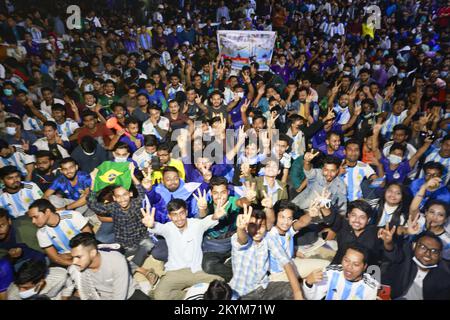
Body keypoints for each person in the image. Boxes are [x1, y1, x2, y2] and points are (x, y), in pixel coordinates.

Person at [141, 199, 226, 300]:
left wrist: (216, 215)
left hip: (197, 271)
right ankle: (190, 295)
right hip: (175, 272)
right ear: (169, 216)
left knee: (221, 286)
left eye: (181, 213)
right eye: (174, 215)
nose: (179, 218)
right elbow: (158, 227)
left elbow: (209, 220)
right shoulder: (168, 228)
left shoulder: (196, 224)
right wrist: (151, 224)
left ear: (186, 212)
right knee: (160, 296)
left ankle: (195, 293)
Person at [229, 205, 303, 300]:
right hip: (243, 293)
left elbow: (286, 263)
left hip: (263, 289)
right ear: (246, 227)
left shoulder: (268, 238)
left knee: (291, 289)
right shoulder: (240, 238)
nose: (257, 230)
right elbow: (241, 239)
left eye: (261, 226)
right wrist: (240, 228)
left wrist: (298, 293)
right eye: (253, 226)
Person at [67, 232, 150, 300]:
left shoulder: (115, 260)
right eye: (73, 257)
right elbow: (86, 294)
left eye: (78, 257)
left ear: (92, 253)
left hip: (128, 294)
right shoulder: (76, 269)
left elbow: (120, 296)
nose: (74, 261)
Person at [378, 230, 450, 300]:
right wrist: (384, 297)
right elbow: (392, 254)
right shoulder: (405, 256)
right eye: (423, 247)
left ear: (440, 255)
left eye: (434, 251)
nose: (428, 254)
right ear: (414, 246)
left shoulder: (445, 278)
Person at [27, 199, 92, 267]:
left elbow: (89, 238)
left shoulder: (73, 216)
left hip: (87, 250)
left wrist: (71, 254)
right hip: (70, 262)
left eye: (35, 217)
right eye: (31, 218)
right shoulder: (41, 233)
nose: (33, 221)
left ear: (47, 211)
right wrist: (77, 263)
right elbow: (56, 258)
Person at [303, 244, 379, 300]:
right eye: (346, 260)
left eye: (356, 264)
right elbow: (312, 297)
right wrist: (308, 284)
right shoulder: (331, 273)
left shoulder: (372, 287)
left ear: (364, 266)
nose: (349, 266)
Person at [6, 259, 72, 300]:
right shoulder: (13, 295)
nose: (21, 291)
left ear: (41, 282)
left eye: (26, 288)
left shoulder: (60, 276)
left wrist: (64, 298)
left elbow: (69, 286)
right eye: (19, 287)